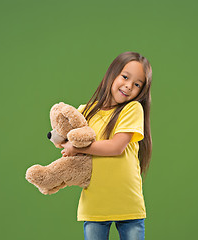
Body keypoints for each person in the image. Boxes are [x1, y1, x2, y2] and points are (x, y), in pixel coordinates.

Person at [60, 51, 152, 240]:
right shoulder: (85, 111)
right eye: (125, 77)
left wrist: (77, 148)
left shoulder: (132, 109)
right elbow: (68, 142)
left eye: (137, 85)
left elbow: (116, 147)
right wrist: (62, 140)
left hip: (128, 205)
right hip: (95, 204)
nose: (128, 86)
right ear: (112, 74)